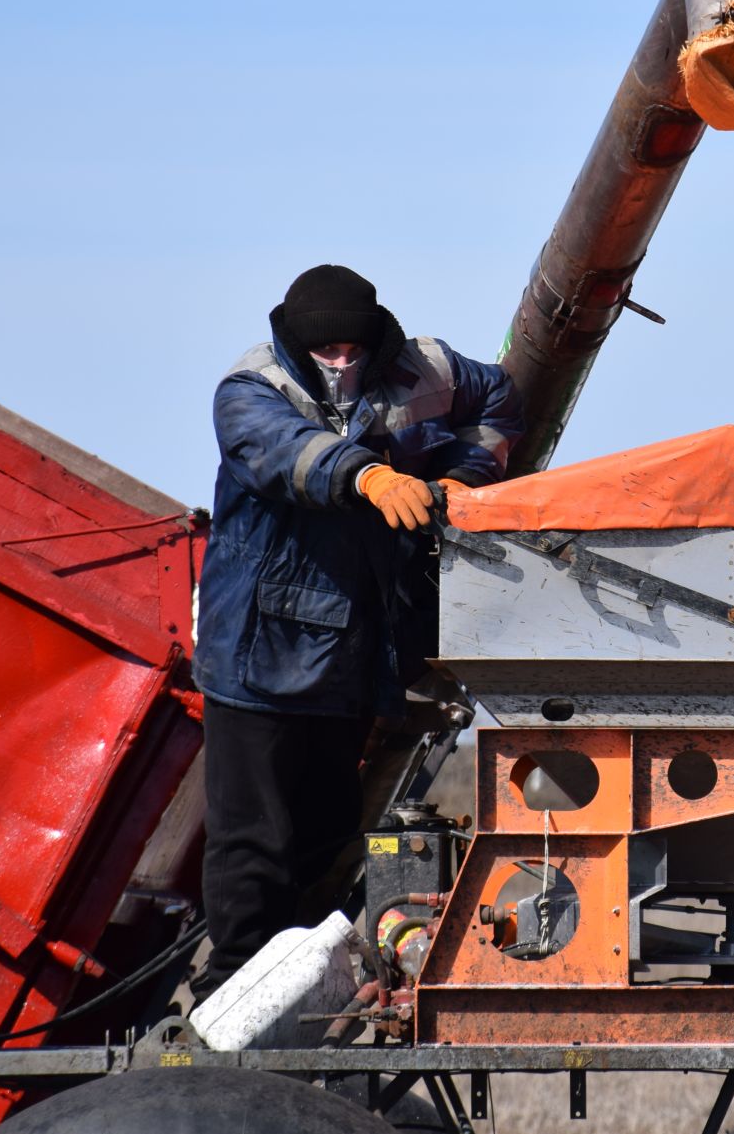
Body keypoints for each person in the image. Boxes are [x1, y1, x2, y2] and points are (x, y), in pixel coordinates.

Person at [190, 263, 522, 997]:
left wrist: (467, 474)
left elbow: (499, 397)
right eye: (326, 352)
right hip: (259, 660)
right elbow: (287, 453)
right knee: (254, 850)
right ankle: (234, 997)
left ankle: (308, 991)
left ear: (373, 339)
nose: (341, 363)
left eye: (352, 350)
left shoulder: (422, 367)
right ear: (298, 343)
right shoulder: (252, 390)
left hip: (348, 659)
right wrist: (370, 476)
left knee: (326, 842)